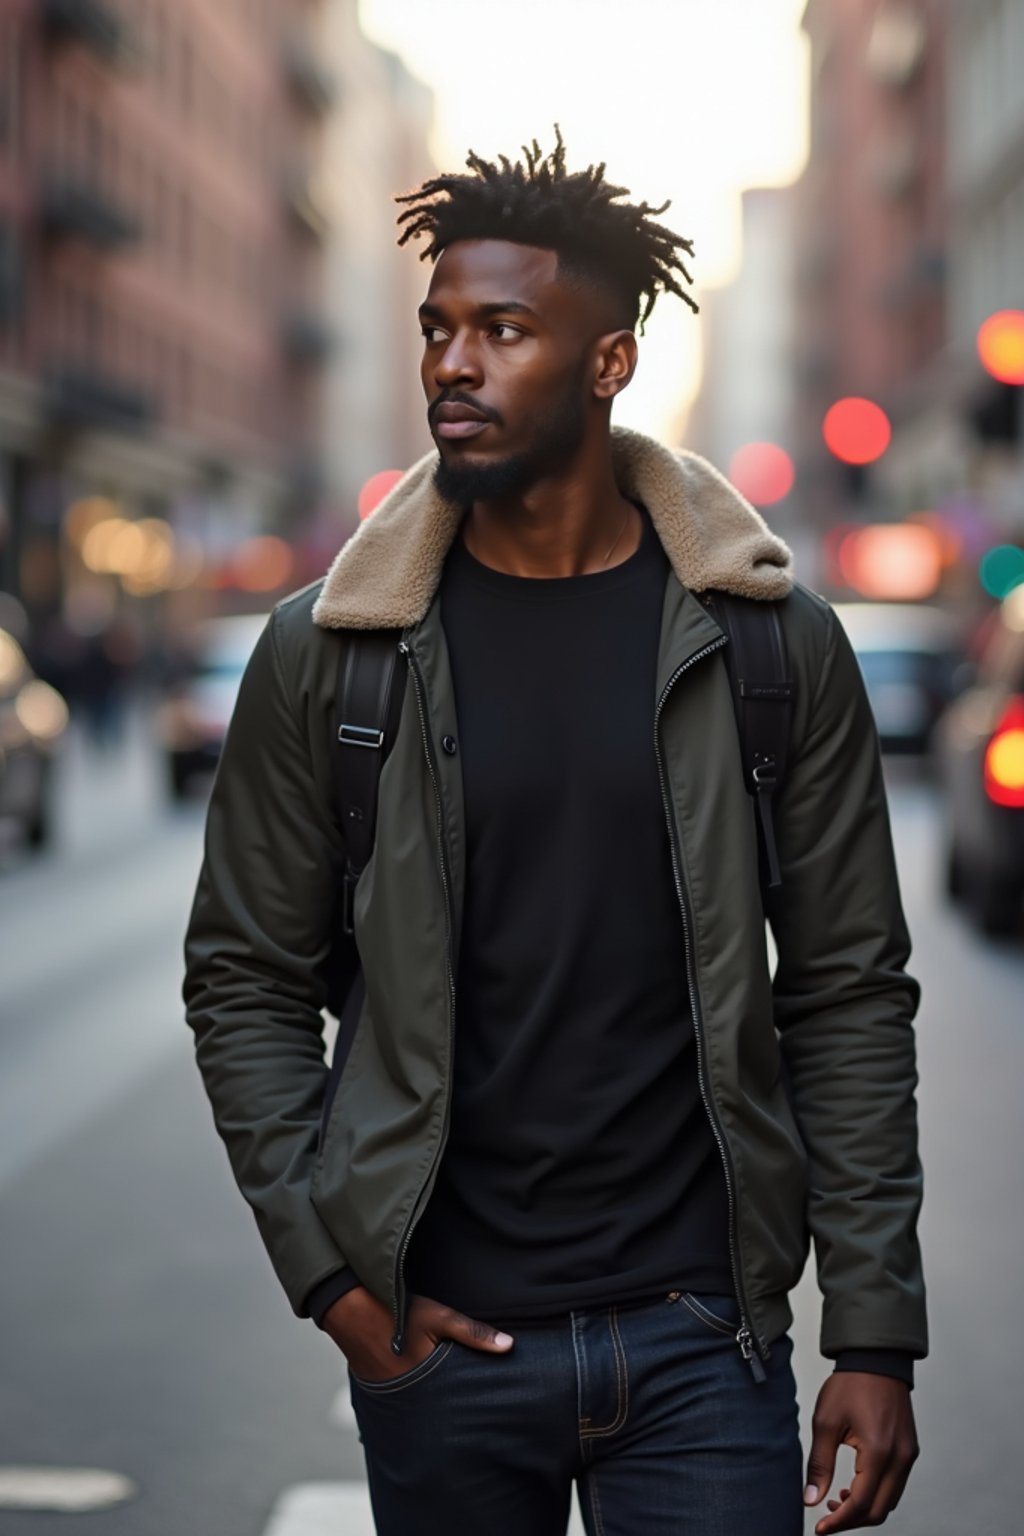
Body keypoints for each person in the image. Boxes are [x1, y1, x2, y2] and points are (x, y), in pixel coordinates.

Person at [183, 132, 925, 1535]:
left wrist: (875, 1332)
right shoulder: (330, 655)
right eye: (438, 329)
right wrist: (337, 1282)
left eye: (503, 330)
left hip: (703, 1337)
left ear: (609, 361)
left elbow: (847, 993)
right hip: (446, 1346)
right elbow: (243, 979)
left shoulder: (770, 648)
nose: (452, 365)